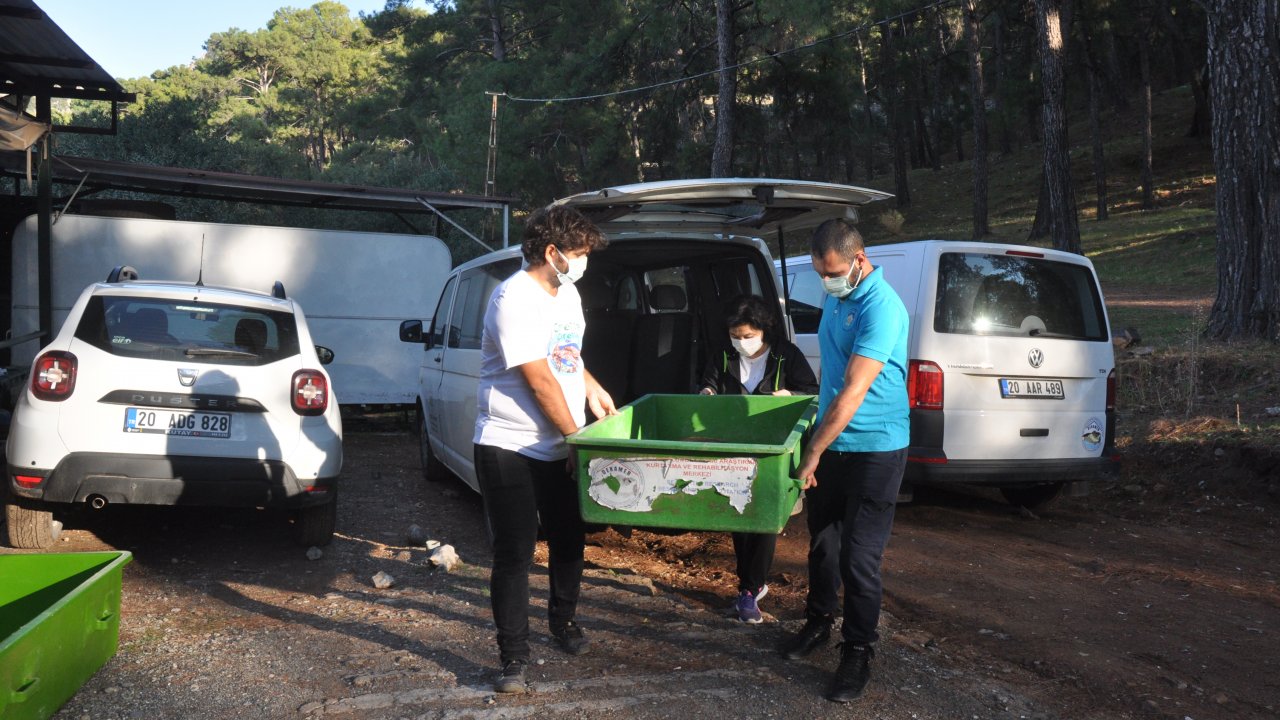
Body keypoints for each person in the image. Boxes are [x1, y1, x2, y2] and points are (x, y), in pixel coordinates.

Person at [473, 205, 617, 694]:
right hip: (509, 443)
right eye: (578, 254)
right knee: (514, 551)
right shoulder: (511, 298)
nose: (583, 263)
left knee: (569, 537)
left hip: (561, 437)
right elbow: (538, 380)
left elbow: (566, 357)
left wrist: (591, 386)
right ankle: (513, 655)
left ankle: (564, 621)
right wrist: (577, 438)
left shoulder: (568, 292)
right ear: (552, 252)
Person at [778, 219, 909, 704]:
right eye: (819, 273)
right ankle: (817, 623)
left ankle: (857, 650)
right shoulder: (839, 296)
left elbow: (854, 391)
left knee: (859, 557)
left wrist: (812, 451)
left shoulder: (882, 308)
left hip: (876, 446)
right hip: (835, 442)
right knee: (823, 544)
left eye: (831, 272)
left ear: (858, 259)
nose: (826, 282)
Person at [697, 294, 818, 623]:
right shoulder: (723, 355)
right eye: (736, 336)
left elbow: (811, 389)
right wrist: (707, 393)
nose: (741, 343)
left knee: (763, 517)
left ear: (764, 331)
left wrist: (789, 395)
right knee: (739, 516)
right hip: (733, 444)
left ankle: (750, 589)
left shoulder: (786, 356)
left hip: (772, 448)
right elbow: (709, 383)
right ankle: (749, 585)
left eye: (748, 337)